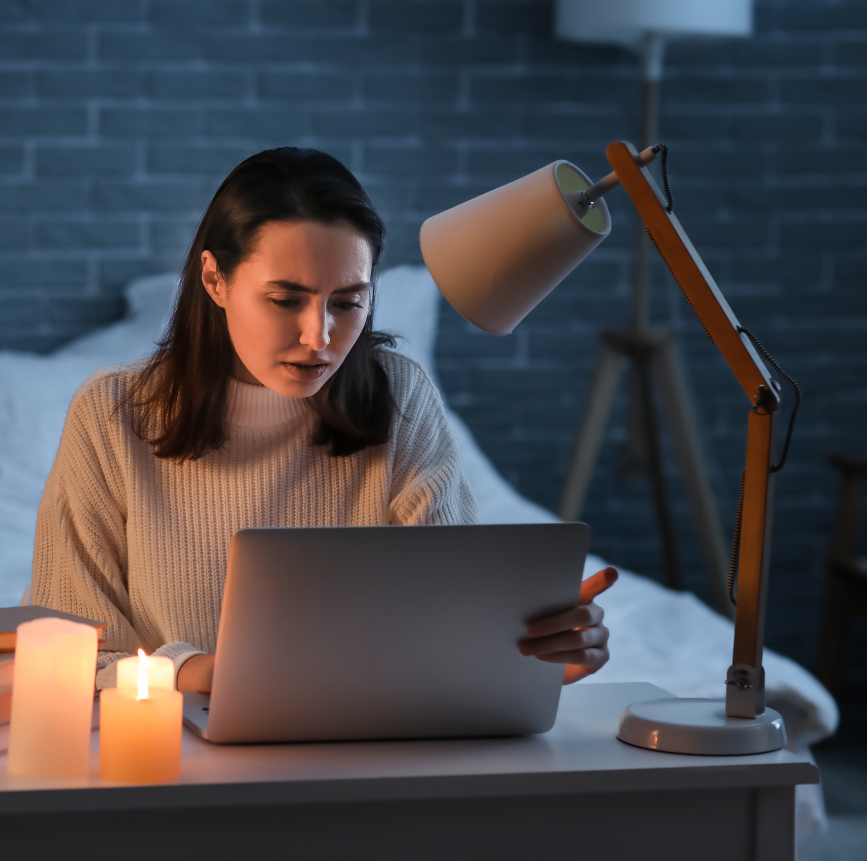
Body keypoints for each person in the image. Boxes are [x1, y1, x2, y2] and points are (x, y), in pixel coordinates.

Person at [30, 147, 615, 693]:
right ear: (214, 280)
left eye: (347, 302)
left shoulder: (398, 395)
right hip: (178, 755)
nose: (320, 338)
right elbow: (74, 656)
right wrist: (207, 672)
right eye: (285, 300)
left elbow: (448, 630)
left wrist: (533, 656)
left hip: (369, 754)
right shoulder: (113, 415)